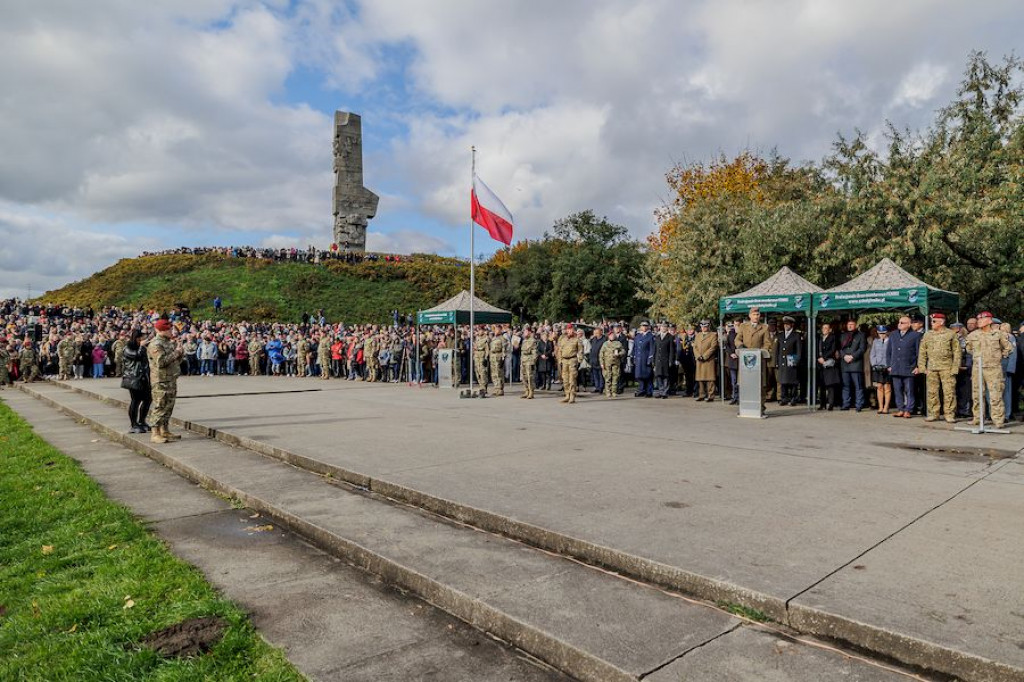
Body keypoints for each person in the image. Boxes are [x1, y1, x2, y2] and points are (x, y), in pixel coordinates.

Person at [965, 311, 1012, 427]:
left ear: (990, 321)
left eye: (982, 319)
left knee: (995, 394)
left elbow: (1008, 348)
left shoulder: (998, 334)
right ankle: (978, 418)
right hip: (978, 368)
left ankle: (998, 420)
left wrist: (999, 356)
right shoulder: (973, 335)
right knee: (976, 394)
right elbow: (969, 349)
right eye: (978, 319)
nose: (979, 321)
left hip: (994, 368)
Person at [917, 313, 961, 423]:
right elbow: (922, 352)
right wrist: (922, 367)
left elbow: (957, 352)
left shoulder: (951, 334)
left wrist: (955, 368)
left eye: (934, 321)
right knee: (932, 392)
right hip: (931, 368)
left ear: (941, 322)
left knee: (949, 392)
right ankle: (933, 413)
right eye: (931, 321)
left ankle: (949, 414)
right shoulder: (927, 335)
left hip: (947, 368)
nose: (931, 323)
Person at [147, 318, 184, 444]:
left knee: (169, 405)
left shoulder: (168, 342)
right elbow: (161, 362)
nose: (171, 331)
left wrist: (180, 352)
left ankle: (164, 429)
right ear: (161, 330)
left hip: (171, 378)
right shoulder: (155, 344)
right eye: (168, 329)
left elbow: (175, 361)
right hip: (160, 380)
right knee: (160, 405)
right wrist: (176, 353)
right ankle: (155, 433)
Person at [733, 307, 772, 410]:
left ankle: (760, 407)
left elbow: (767, 343)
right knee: (745, 384)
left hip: (758, 361)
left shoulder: (764, 327)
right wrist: (740, 346)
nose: (756, 316)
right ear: (750, 315)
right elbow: (737, 339)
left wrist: (761, 352)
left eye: (758, 315)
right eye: (754, 315)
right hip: (745, 361)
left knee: (760, 385)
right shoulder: (743, 326)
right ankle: (745, 406)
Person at [887, 315, 922, 419]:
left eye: (902, 323)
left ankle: (909, 410)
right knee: (897, 390)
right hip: (895, 367)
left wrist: (918, 366)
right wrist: (889, 365)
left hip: (909, 367)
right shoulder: (893, 335)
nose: (899, 324)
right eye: (899, 322)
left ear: (909, 324)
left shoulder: (916, 335)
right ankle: (900, 409)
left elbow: (918, 352)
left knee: (909, 390)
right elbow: (889, 351)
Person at [121, 329, 152, 434]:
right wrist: (141, 347)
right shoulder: (127, 348)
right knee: (135, 401)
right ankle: (133, 424)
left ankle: (142, 421)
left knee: (148, 399)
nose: (142, 340)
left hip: (143, 378)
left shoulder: (142, 348)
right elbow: (136, 357)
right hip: (133, 378)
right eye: (141, 338)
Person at [838, 318, 866, 411]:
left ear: (856, 325)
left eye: (852, 324)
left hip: (856, 364)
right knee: (846, 386)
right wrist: (844, 356)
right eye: (848, 324)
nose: (850, 326)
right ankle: (846, 404)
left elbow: (862, 349)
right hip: (845, 364)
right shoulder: (843, 335)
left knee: (858, 386)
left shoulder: (861, 335)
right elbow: (839, 349)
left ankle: (859, 405)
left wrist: (852, 356)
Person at [774, 316, 802, 406]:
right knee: (783, 381)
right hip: (782, 361)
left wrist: (796, 361)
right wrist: (776, 362)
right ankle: (784, 398)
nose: (786, 326)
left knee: (793, 381)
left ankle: (793, 398)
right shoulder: (780, 335)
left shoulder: (796, 335)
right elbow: (777, 350)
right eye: (785, 324)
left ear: (792, 325)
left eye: (788, 324)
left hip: (791, 360)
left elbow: (798, 350)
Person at [816, 322, 840, 410]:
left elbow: (833, 349)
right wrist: (819, 358)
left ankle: (831, 404)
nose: (824, 329)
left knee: (830, 385)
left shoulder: (833, 338)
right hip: (821, 364)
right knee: (821, 385)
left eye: (826, 328)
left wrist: (824, 358)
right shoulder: (820, 338)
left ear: (830, 330)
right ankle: (822, 404)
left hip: (829, 363)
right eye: (823, 328)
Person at [557, 324, 583, 403]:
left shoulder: (577, 340)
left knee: (572, 379)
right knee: (565, 379)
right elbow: (560, 350)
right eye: (568, 329)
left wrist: (579, 360)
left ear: (573, 330)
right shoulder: (563, 339)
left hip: (572, 360)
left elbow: (580, 351)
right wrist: (560, 360)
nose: (569, 331)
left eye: (571, 329)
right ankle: (567, 395)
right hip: (564, 361)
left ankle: (572, 396)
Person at [869, 325, 892, 414]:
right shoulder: (875, 341)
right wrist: (874, 364)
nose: (881, 335)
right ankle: (880, 406)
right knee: (879, 387)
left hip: (887, 367)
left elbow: (892, 354)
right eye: (880, 333)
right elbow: (872, 354)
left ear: (886, 332)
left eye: (883, 333)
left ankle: (886, 407)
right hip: (877, 367)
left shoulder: (890, 341)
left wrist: (890, 365)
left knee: (887, 387)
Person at [693, 320, 718, 401]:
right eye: (702, 326)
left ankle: (711, 395)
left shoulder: (713, 335)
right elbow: (695, 347)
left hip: (708, 360)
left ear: (708, 326)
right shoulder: (698, 335)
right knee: (700, 378)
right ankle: (701, 395)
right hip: (699, 359)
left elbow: (713, 347)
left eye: (705, 326)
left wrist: (704, 356)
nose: (704, 328)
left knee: (710, 378)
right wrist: (697, 356)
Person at [599, 327, 624, 398]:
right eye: (610, 335)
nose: (612, 336)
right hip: (607, 363)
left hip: (616, 363)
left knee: (615, 377)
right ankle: (608, 392)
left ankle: (614, 392)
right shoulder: (605, 344)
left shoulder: (618, 343)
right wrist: (601, 363)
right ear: (608, 336)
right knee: (608, 378)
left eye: (613, 335)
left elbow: (623, 351)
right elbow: (601, 354)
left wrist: (619, 354)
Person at [652, 322, 674, 398]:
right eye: (662, 327)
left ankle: (665, 392)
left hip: (666, 360)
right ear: (660, 328)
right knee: (658, 376)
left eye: (665, 327)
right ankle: (661, 391)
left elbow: (671, 350)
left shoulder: (670, 337)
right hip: (658, 360)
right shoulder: (657, 337)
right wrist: (653, 361)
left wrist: (671, 361)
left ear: (667, 328)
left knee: (665, 377)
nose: (663, 328)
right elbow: (655, 350)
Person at [632, 321, 654, 397]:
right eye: (642, 326)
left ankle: (649, 391)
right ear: (640, 327)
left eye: (645, 326)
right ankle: (641, 390)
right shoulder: (638, 336)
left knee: (648, 375)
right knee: (639, 376)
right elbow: (635, 347)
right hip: (639, 358)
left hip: (646, 358)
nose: (644, 327)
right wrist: (633, 357)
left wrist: (650, 358)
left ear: (648, 327)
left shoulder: (650, 336)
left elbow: (652, 348)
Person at [519, 327, 538, 399]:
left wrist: (533, 362)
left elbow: (534, 353)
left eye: (526, 332)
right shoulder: (524, 341)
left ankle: (531, 392)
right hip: (523, 361)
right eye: (524, 332)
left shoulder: (533, 341)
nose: (524, 333)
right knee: (524, 377)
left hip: (529, 361)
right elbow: (522, 352)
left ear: (529, 332)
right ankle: (526, 390)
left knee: (530, 377)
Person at [489, 326, 508, 396]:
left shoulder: (503, 339)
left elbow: (504, 350)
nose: (495, 331)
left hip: (498, 357)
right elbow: (491, 349)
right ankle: (496, 388)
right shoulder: (493, 338)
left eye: (497, 329)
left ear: (500, 330)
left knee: (499, 373)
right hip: (493, 357)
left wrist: (503, 359)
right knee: (493, 373)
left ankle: (500, 389)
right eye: (495, 329)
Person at [588, 326, 606, 394]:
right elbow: (591, 349)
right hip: (593, 360)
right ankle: (597, 387)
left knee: (601, 375)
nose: (596, 334)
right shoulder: (593, 339)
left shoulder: (604, 340)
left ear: (601, 332)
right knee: (595, 375)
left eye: (597, 333)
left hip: (600, 360)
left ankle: (601, 387)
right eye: (595, 333)